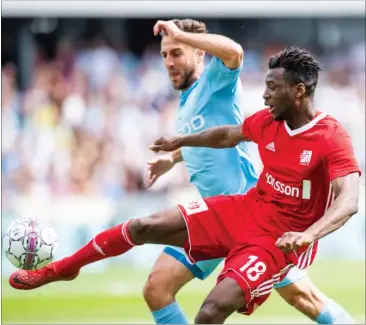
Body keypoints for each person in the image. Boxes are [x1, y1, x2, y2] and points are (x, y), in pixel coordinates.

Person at [9, 46, 360, 324]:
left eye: (272, 87)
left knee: (210, 312)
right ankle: (63, 268)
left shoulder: (331, 138)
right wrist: (181, 143)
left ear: (299, 91)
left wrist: (308, 235)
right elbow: (226, 134)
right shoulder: (269, 121)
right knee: (144, 225)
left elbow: (349, 201)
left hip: (279, 241)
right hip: (246, 209)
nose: (265, 96)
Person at [143, 20, 355, 324]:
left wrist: (182, 34)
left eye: (176, 52)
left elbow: (235, 53)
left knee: (163, 289)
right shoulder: (189, 94)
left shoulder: (214, 79)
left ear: (200, 54)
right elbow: (215, 137)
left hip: (243, 212)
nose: (169, 62)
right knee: (302, 296)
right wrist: (176, 157)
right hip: (218, 211)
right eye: (164, 55)